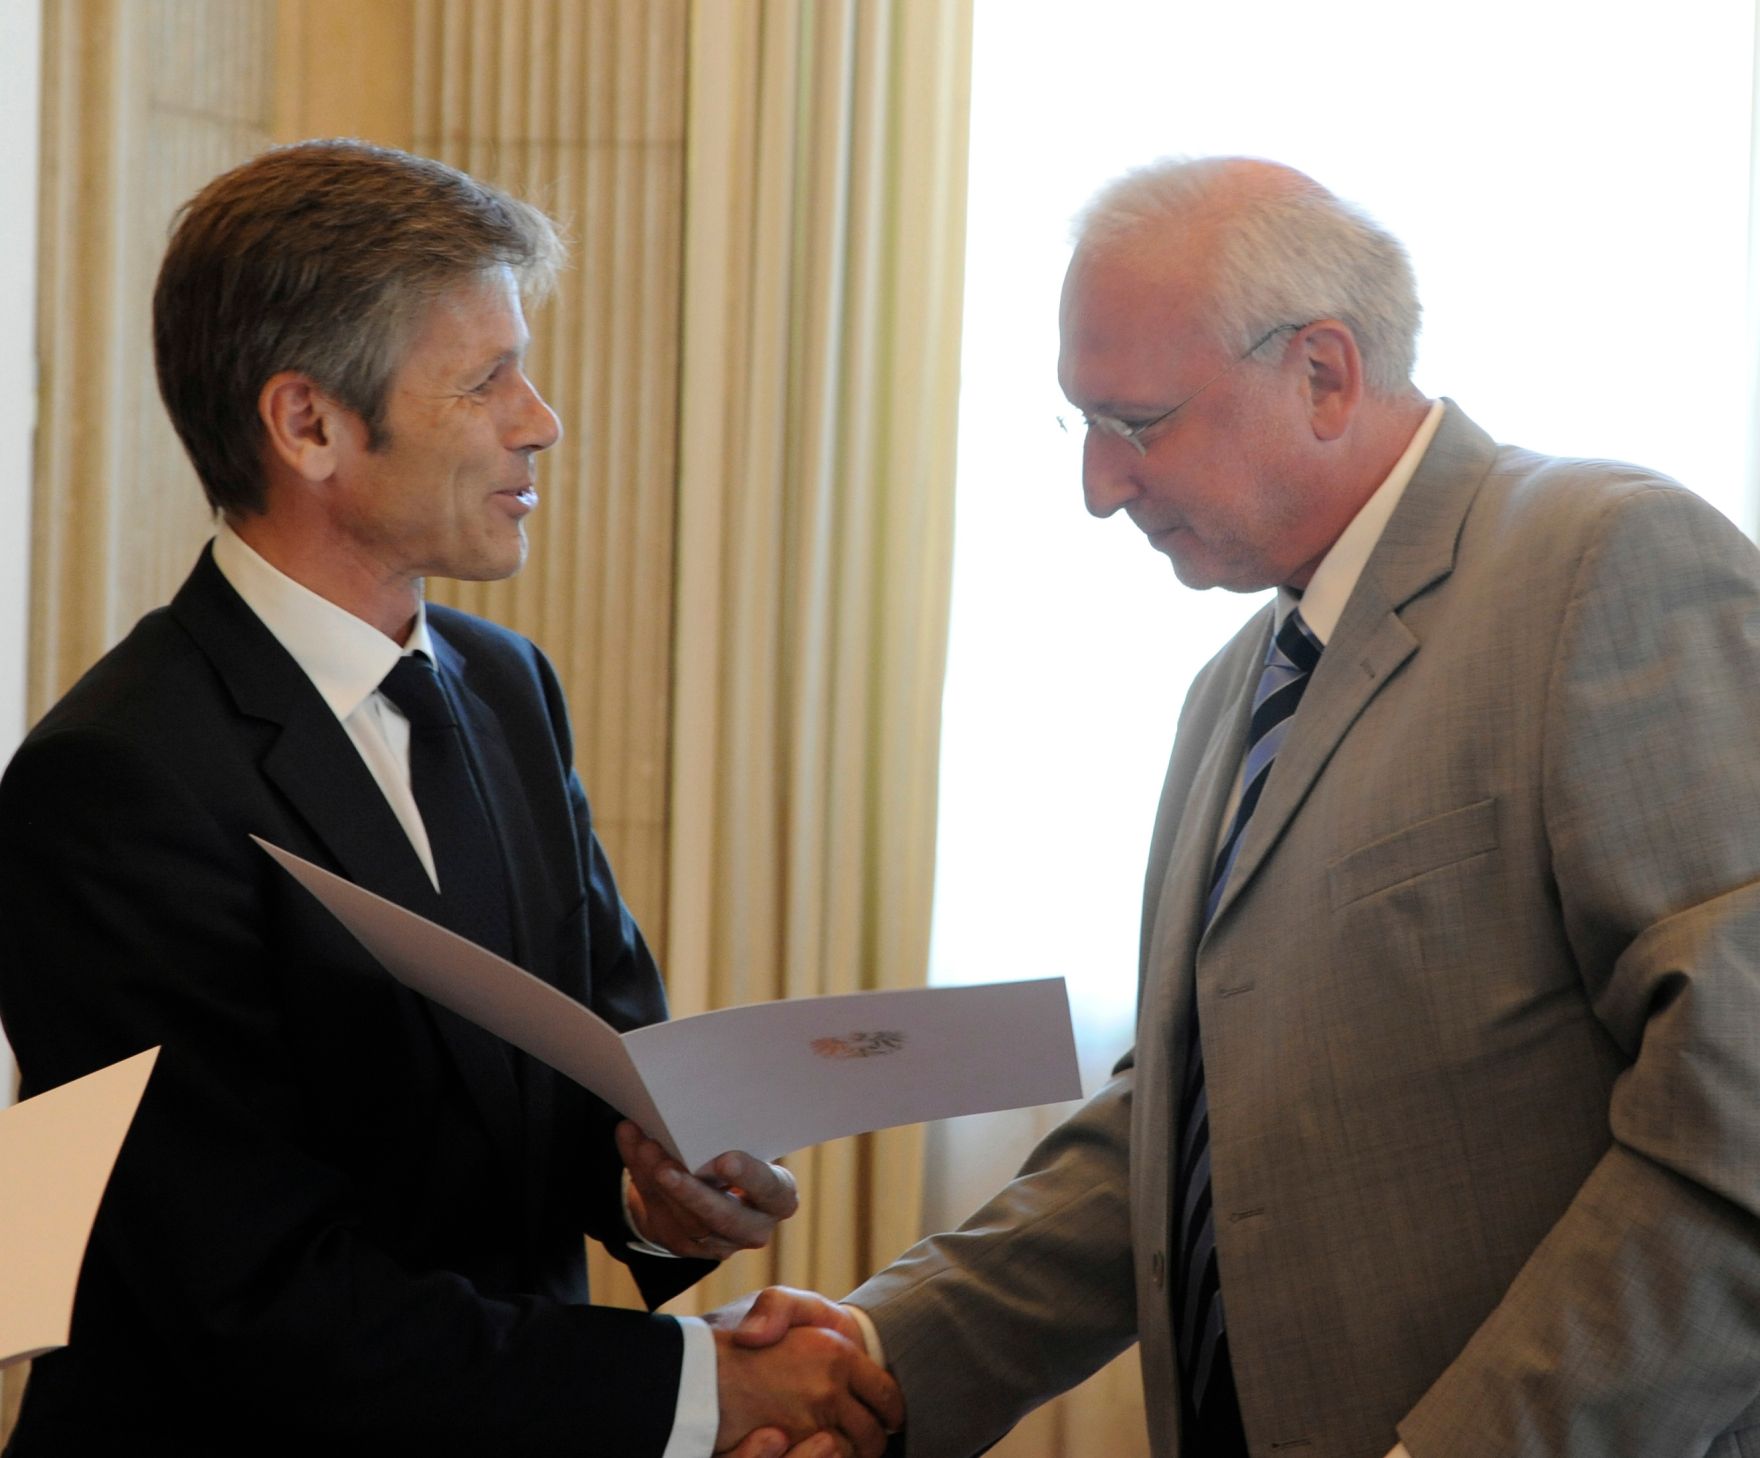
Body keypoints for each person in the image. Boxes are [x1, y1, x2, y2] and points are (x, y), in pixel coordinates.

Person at [721, 156, 1760, 1457]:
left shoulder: (1607, 563)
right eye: (1079, 424)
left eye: (1137, 423)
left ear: (1323, 373)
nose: (1099, 486)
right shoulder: (1234, 690)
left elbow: (1743, 1110)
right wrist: (879, 1354)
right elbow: (1189, 1131)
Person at [0, 140, 899, 1458]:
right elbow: (251, 1305)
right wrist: (701, 1388)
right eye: (487, 380)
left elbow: (597, 1064)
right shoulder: (112, 781)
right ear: (307, 425)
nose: (540, 419)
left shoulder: (507, 685)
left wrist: (659, 1194)